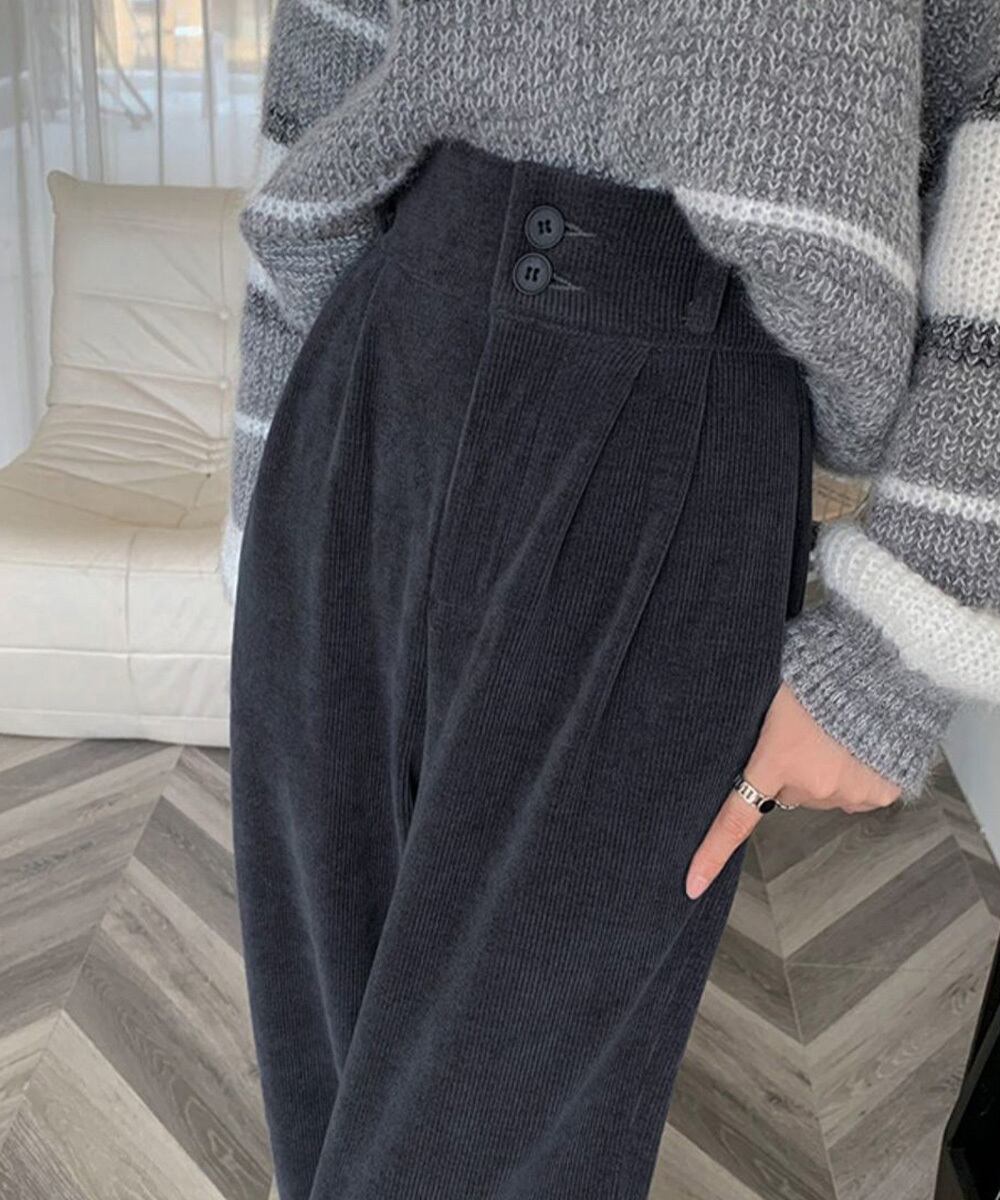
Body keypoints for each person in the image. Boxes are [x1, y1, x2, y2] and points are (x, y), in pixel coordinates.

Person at [220, 3, 1000, 1198]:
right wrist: (266, 468)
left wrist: (908, 628)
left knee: (473, 1158)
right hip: (370, 357)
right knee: (322, 1109)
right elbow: (333, 50)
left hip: (676, 403)